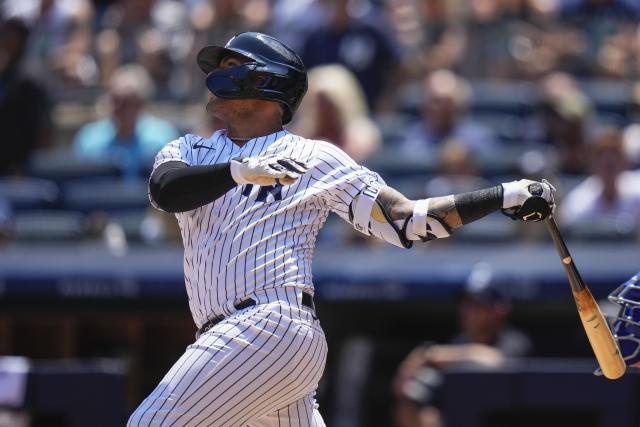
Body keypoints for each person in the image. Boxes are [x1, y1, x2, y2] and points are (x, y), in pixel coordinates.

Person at [128, 31, 555, 426]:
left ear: (266, 80)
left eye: (230, 65)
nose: (215, 76)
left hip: (268, 322)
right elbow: (166, 192)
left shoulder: (313, 157)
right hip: (240, 339)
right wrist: (239, 171)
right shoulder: (189, 148)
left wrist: (504, 195)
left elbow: (406, 223)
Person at [393, 263, 532, 427]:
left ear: (499, 309)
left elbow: (495, 360)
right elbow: (429, 407)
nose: (467, 311)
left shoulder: (513, 340)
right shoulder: (457, 343)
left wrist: (433, 354)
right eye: (465, 304)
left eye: (477, 305)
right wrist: (407, 395)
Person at [72, 64, 180, 179]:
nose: (118, 108)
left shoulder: (163, 139)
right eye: (114, 100)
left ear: (141, 104)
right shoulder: (89, 138)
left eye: (126, 102)